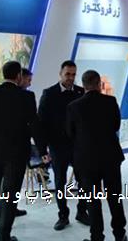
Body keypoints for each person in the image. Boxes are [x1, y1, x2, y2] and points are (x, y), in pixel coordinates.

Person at [0, 61, 46, 241]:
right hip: (17, 154)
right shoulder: (26, 97)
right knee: (10, 194)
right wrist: (43, 150)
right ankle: (4, 235)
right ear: (19, 76)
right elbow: (34, 125)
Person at [67, 70, 127, 241]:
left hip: (87, 161)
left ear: (83, 85)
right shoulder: (110, 102)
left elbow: (70, 133)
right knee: (114, 197)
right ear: (99, 84)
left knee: (93, 200)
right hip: (110, 158)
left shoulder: (73, 106)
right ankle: (120, 234)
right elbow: (116, 126)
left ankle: (97, 236)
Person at [38, 60, 89, 230]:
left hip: (78, 145)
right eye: (67, 74)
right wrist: (43, 149)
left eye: (73, 74)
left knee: (84, 180)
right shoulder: (49, 93)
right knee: (60, 182)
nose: (70, 78)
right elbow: (41, 122)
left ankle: (82, 211)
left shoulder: (81, 92)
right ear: (60, 73)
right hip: (57, 146)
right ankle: (63, 215)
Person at [0, 68, 34, 223]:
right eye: (28, 80)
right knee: (7, 183)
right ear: (20, 78)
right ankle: (0, 212)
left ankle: (11, 208)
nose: (30, 83)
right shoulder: (14, 97)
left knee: (14, 183)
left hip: (17, 149)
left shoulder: (24, 97)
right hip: (9, 149)